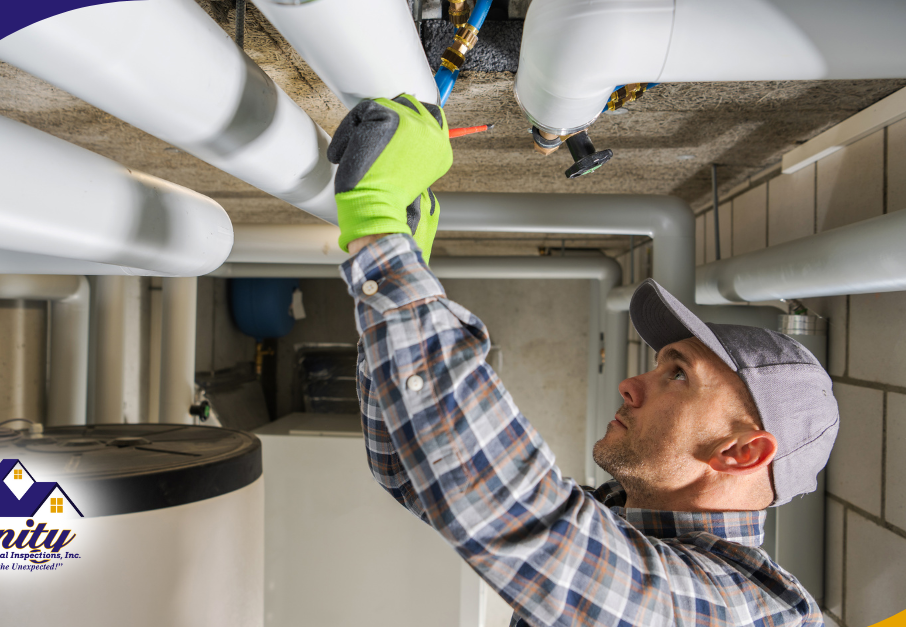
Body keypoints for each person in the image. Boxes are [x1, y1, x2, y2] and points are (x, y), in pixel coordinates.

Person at [326, 94, 840, 627]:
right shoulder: (626, 520)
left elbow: (527, 523)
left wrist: (380, 231)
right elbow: (415, 472)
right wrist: (404, 256)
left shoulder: (752, 612)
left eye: (678, 375)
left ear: (742, 452)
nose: (630, 385)